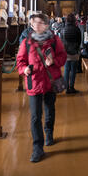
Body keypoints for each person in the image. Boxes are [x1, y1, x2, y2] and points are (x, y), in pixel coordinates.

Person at [17, 13, 67, 163]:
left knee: (49, 110)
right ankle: (37, 148)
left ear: (46, 25)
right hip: (34, 81)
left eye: (39, 23)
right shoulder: (26, 42)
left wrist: (54, 61)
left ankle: (49, 132)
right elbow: (21, 60)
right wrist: (24, 69)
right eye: (34, 23)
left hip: (50, 82)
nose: (36, 26)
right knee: (35, 116)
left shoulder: (54, 40)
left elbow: (63, 56)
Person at [62, 13, 82, 94]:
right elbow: (79, 40)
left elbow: (62, 41)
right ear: (74, 20)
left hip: (66, 52)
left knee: (66, 70)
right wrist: (77, 49)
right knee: (73, 70)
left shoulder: (63, 29)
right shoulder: (77, 29)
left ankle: (66, 88)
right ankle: (72, 87)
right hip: (74, 52)